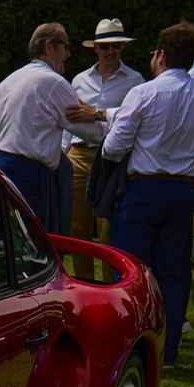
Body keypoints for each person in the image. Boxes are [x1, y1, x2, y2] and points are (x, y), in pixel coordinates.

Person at [100, 21, 194, 367]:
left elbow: (113, 148)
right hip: (183, 190)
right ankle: (167, 351)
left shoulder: (143, 92)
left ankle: (128, 345)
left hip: (143, 189)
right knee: (171, 272)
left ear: (161, 55)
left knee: (130, 271)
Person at [0, 22, 100, 235]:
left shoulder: (10, 80)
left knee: (6, 236)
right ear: (50, 46)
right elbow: (92, 133)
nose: (68, 54)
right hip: (30, 173)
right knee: (33, 241)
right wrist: (98, 114)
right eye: (66, 46)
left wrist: (20, 123)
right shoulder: (54, 82)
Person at [68, 17, 143, 242]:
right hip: (78, 154)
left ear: (123, 47)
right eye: (104, 46)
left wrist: (97, 113)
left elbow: (138, 117)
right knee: (77, 227)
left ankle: (108, 268)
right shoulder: (79, 80)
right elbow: (68, 120)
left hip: (112, 157)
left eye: (116, 45)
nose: (110, 51)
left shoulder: (135, 81)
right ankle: (82, 268)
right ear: (95, 48)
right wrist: (63, 152)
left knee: (107, 228)